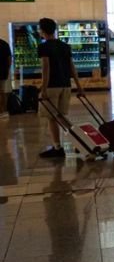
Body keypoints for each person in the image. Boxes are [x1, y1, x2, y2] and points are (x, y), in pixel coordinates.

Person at [37, 18, 84, 158]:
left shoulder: (43, 47)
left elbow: (46, 67)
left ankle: (57, 147)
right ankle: (80, 142)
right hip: (66, 85)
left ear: (42, 31)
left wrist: (43, 88)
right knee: (60, 116)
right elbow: (72, 67)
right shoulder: (64, 46)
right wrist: (79, 87)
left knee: (52, 117)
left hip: (52, 86)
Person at [0, 36, 11, 120]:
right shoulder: (4, 44)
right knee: (2, 92)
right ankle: (3, 111)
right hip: (3, 72)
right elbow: (9, 59)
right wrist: (7, 69)